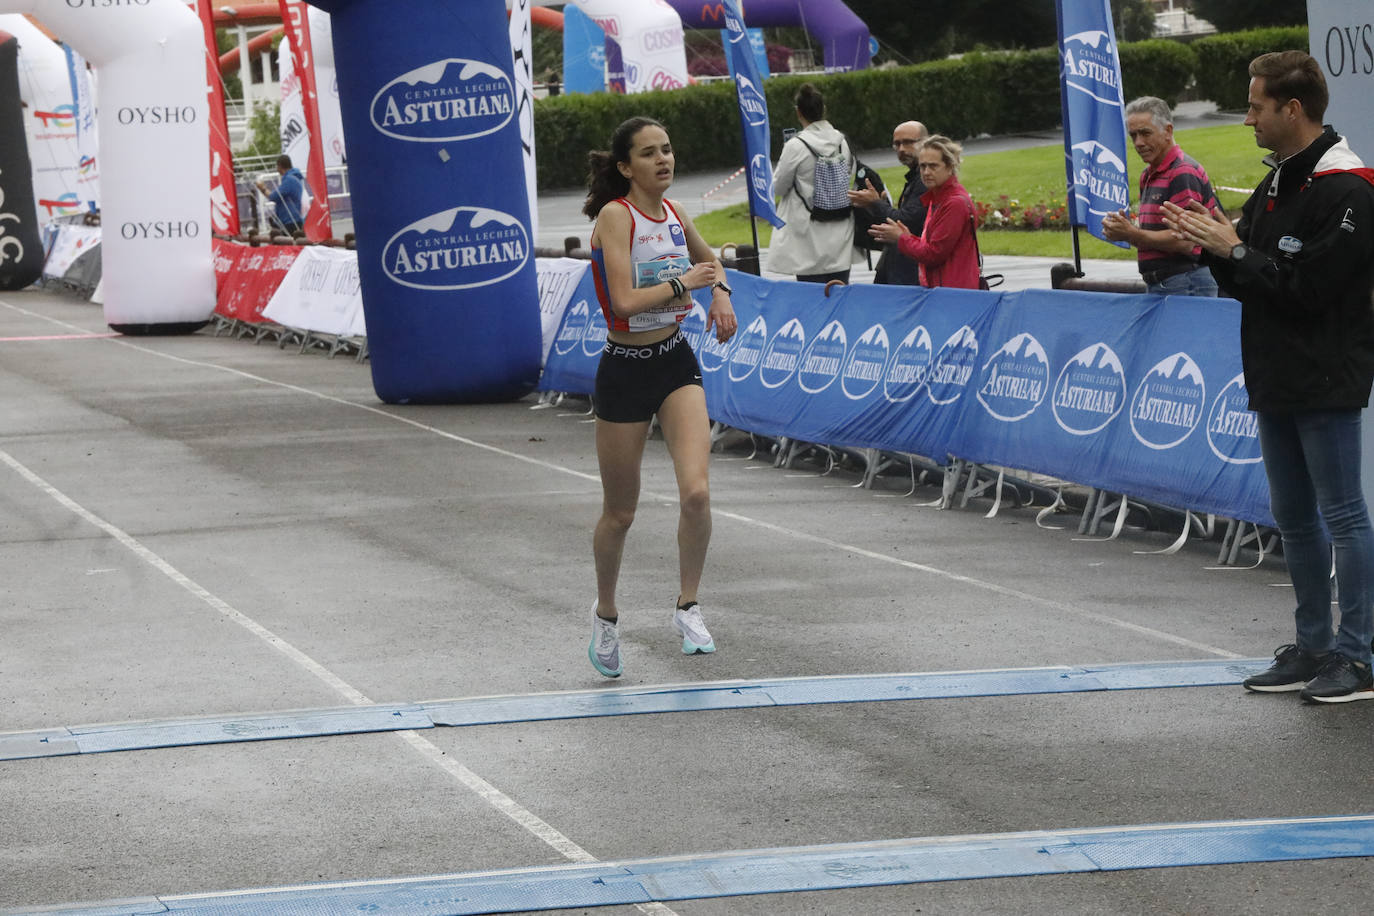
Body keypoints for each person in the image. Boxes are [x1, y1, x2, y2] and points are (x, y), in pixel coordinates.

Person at [1163, 51, 1374, 704]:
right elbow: (1249, 269)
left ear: (1293, 109)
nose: (1247, 117)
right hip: (1277, 371)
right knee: (1294, 517)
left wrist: (1231, 249)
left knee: (1342, 515)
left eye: (1256, 106)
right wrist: (1212, 245)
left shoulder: (1347, 186)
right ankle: (1312, 644)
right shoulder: (1281, 179)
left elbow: (1308, 289)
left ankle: (1358, 656)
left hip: (1326, 373)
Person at [581, 116, 739, 679]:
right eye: (649, 154)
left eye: (668, 150)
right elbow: (622, 302)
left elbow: (712, 264)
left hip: (674, 359)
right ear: (626, 167)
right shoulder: (616, 216)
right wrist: (685, 285)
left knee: (697, 493)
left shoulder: (674, 213)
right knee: (621, 513)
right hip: (624, 368)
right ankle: (605, 614)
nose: (663, 161)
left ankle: (688, 605)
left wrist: (720, 294)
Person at [1101, 97, 1221, 297]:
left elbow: (1185, 241)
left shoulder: (1182, 172)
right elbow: (1159, 235)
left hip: (1185, 282)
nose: (1138, 143)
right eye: (1133, 135)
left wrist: (1131, 234)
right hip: (1167, 282)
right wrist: (1122, 229)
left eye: (1146, 133)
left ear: (1168, 131)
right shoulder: (1148, 174)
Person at [767, 83, 857, 284]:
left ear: (798, 112)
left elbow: (779, 187)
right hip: (841, 230)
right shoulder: (843, 141)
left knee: (812, 297)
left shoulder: (796, 145)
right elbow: (849, 175)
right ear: (823, 109)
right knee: (840, 294)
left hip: (807, 235)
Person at [868, 135, 980, 289]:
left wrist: (901, 238)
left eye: (933, 166)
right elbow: (933, 248)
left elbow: (933, 255)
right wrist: (907, 237)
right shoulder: (938, 197)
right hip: (946, 289)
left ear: (949, 167)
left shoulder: (954, 203)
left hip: (952, 293)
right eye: (922, 166)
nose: (926, 172)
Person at [848, 120, 929, 285]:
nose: (901, 149)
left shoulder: (924, 179)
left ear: (926, 142)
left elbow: (904, 221)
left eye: (908, 142)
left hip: (911, 272)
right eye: (897, 144)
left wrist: (876, 203)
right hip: (900, 266)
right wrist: (877, 205)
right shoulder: (915, 177)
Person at [256, 154, 305, 237]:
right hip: (294, 218)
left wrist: (262, 188)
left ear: (279, 166)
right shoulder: (295, 178)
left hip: (289, 220)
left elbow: (274, 196)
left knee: (287, 246)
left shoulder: (289, 180)